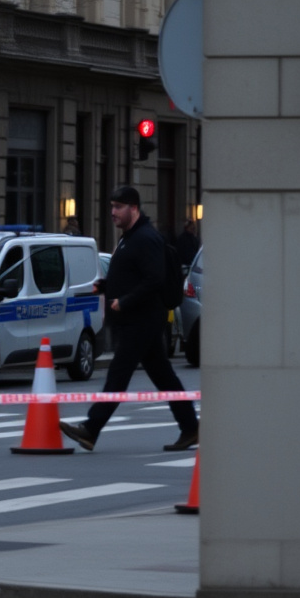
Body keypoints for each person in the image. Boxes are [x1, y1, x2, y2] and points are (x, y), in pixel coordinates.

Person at [61, 186, 199, 452]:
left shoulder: (145, 239)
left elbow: (154, 279)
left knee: (118, 374)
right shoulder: (129, 238)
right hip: (138, 318)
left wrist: (124, 301)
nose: (113, 212)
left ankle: (91, 429)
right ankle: (191, 427)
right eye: (112, 206)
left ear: (133, 209)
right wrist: (104, 286)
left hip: (143, 319)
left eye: (118, 207)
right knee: (164, 377)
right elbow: (132, 275)